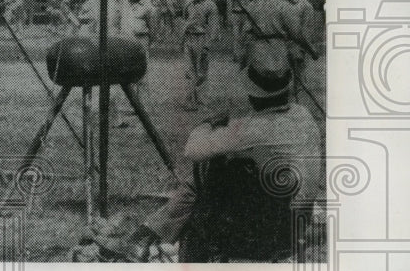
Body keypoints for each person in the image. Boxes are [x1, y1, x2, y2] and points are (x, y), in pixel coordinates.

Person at [132, 53, 321, 259]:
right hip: (297, 222)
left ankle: (152, 235)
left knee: (210, 168)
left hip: (266, 232)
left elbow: (192, 150)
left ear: (252, 95)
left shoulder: (253, 130)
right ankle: (153, 229)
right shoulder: (303, 115)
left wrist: (211, 122)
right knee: (223, 169)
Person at [243, 0, 313, 72]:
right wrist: (312, 52)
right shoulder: (283, 4)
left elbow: (246, 32)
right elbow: (296, 33)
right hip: (279, 52)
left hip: (259, 53)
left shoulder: (252, 4)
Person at [181, 0, 219, 110]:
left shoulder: (211, 5)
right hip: (188, 37)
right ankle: (189, 101)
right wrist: (182, 40)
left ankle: (202, 101)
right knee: (188, 70)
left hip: (201, 38)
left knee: (202, 71)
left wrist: (207, 45)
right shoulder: (189, 1)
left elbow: (214, 27)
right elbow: (185, 18)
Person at [281, 0, 316, 100]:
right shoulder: (282, 5)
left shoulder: (305, 6)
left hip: (297, 49)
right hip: (281, 49)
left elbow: (305, 32)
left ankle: (300, 109)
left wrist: (310, 50)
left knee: (299, 83)